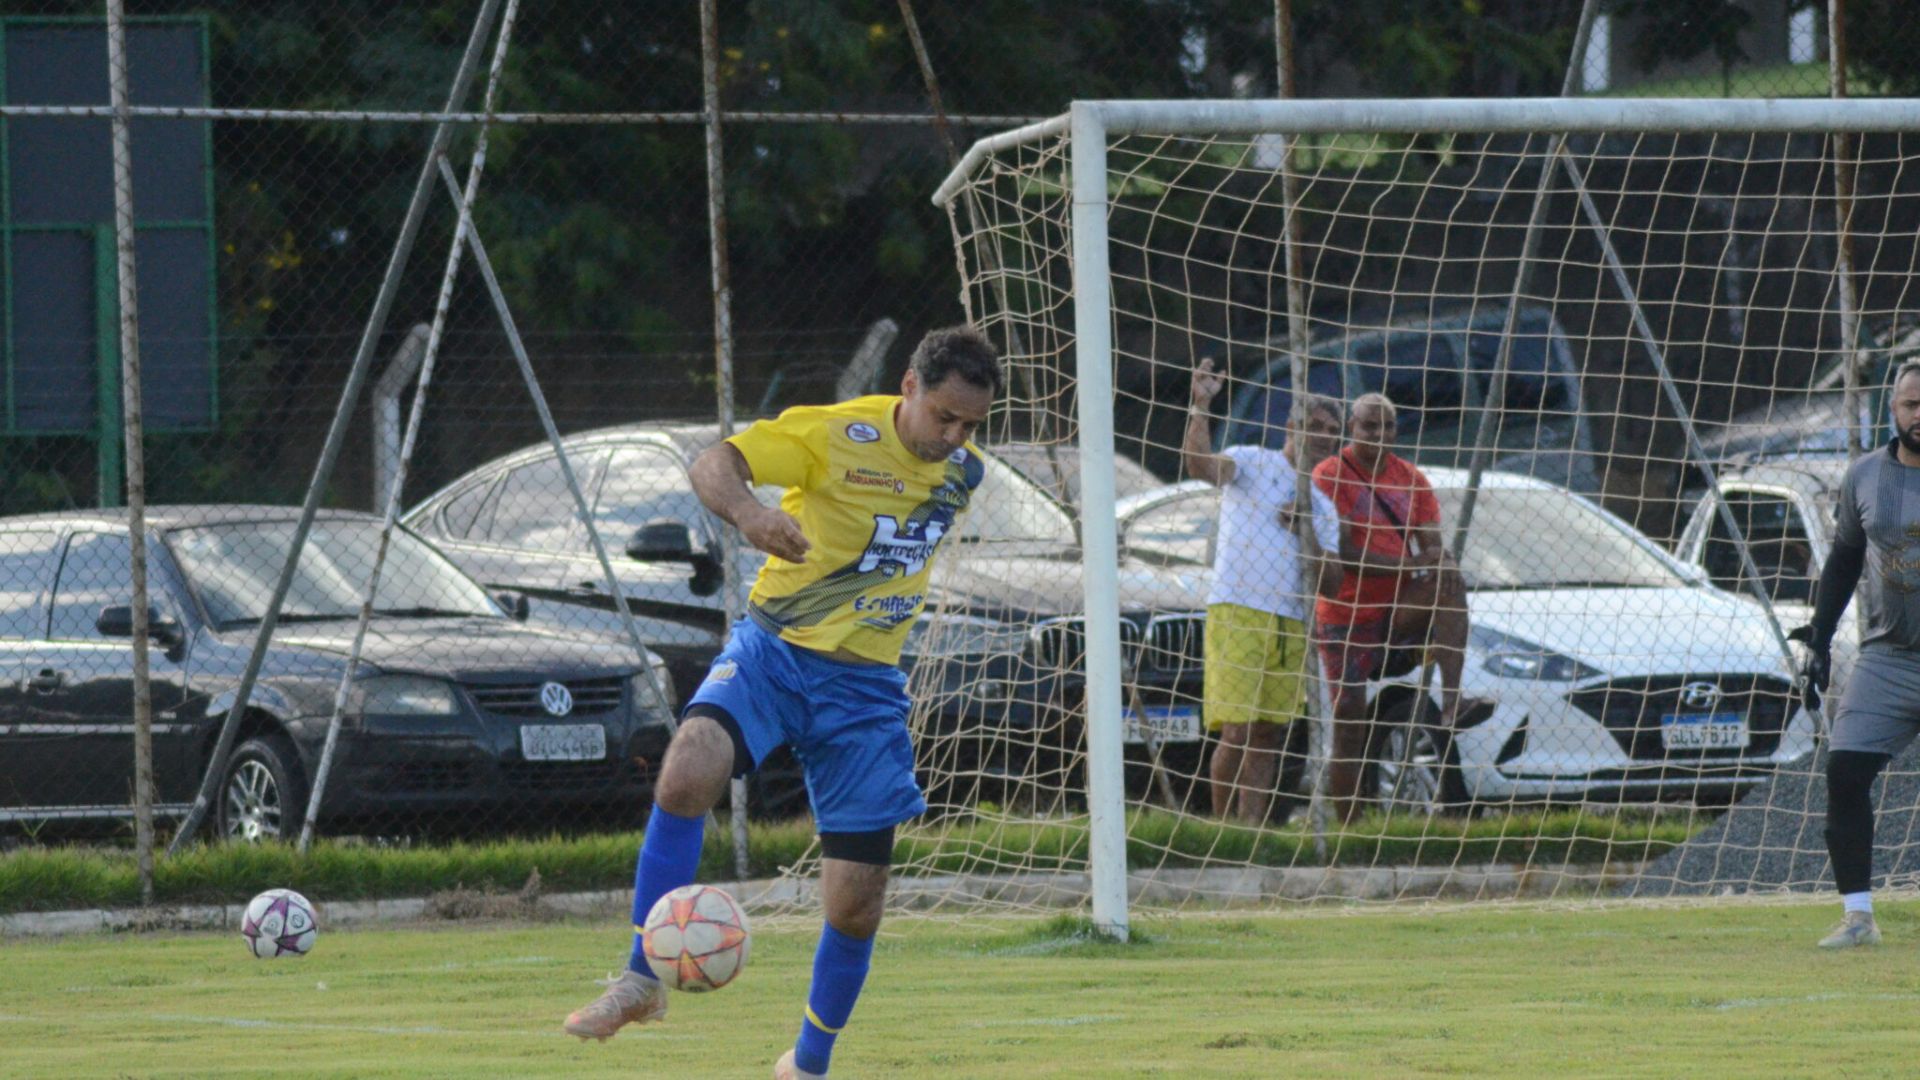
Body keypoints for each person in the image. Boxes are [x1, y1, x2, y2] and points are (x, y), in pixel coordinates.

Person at [562, 326, 1001, 1078]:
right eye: (945, 418)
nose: (956, 437)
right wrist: (752, 516)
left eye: (971, 426)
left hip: (863, 691)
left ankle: (808, 1064)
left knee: (856, 903)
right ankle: (639, 979)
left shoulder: (965, 474)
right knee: (687, 769)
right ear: (910, 387)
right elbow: (716, 463)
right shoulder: (833, 436)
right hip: (773, 654)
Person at [1311, 392, 1488, 825]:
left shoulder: (1411, 478)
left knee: (1450, 582)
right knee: (1349, 721)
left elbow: (1430, 544)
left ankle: (1451, 703)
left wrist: (1436, 557)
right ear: (1352, 428)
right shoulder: (1329, 475)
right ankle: (1350, 826)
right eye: (1370, 425)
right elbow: (1343, 552)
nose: (1380, 434)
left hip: (1397, 612)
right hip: (1345, 615)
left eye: (1388, 426)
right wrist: (1410, 563)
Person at [1182, 358, 1343, 825]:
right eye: (1312, 425)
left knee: (1269, 734)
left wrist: (1306, 529)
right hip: (1239, 609)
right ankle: (1221, 830)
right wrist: (1200, 406)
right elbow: (1201, 466)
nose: (1320, 435)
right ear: (1290, 426)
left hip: (1290, 620)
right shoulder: (1253, 462)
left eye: (1330, 430)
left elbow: (1332, 580)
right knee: (1238, 728)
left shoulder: (1323, 505)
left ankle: (1252, 832)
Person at [1798, 361, 1920, 949]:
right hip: (1889, 659)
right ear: (1892, 410)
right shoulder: (1865, 476)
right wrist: (1818, 641)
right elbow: (1844, 560)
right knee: (1844, 774)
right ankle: (1859, 918)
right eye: (1911, 404)